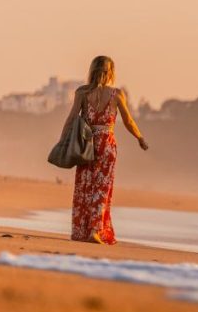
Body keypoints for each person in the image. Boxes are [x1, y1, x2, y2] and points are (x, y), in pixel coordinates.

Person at [60, 55, 149, 244]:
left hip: (87, 144)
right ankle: (95, 230)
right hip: (107, 145)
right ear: (111, 73)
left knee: (85, 185)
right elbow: (128, 121)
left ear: (91, 71)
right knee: (102, 187)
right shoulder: (117, 94)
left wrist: (62, 141)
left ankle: (82, 230)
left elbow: (71, 118)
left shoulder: (82, 93)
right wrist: (139, 137)